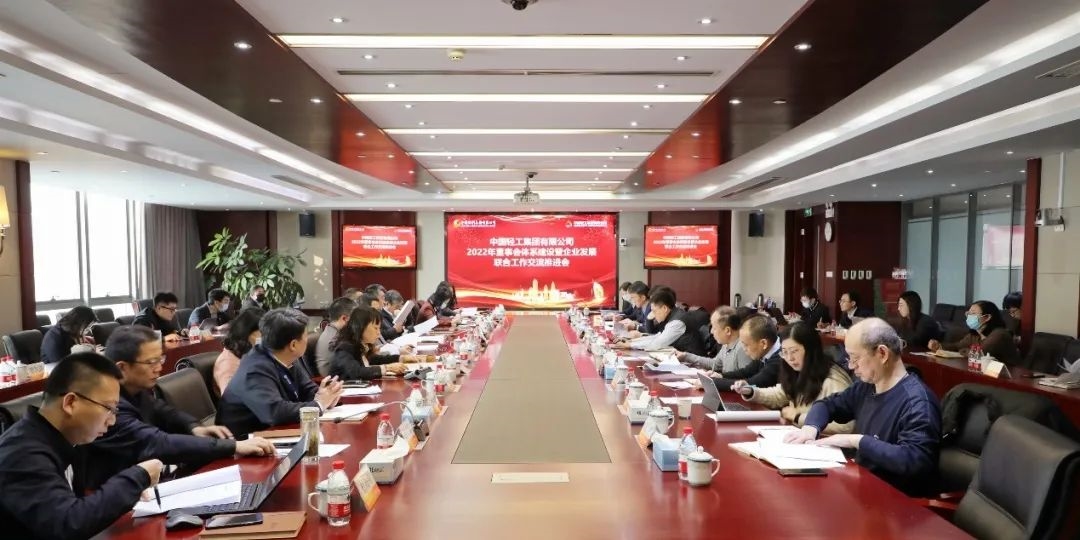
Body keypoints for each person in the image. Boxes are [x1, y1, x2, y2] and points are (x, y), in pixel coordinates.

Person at [86, 326, 275, 489]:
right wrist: (233, 446)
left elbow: (164, 411)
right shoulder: (107, 406)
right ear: (122, 368)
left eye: (160, 359)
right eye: (151, 362)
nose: (159, 367)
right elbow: (158, 443)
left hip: (145, 485)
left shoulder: (135, 390)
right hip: (114, 497)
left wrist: (194, 427)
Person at [0, 353, 163, 540]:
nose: (112, 421)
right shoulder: (20, 454)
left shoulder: (69, 436)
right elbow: (68, 524)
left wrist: (128, 489)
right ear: (70, 403)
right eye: (109, 408)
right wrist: (137, 478)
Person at [784, 318, 942, 497]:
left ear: (882, 353)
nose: (851, 366)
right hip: (860, 485)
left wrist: (858, 441)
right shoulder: (866, 386)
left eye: (855, 358)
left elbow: (915, 460)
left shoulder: (917, 402)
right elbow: (827, 405)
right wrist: (810, 428)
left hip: (894, 499)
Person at [218, 308, 345, 437]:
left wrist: (328, 396)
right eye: (306, 335)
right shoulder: (255, 369)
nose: (307, 339)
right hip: (244, 441)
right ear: (293, 345)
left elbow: (307, 389)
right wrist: (319, 404)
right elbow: (275, 412)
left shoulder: (288, 357)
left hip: (275, 434)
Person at [734, 322, 853, 434]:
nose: (789, 358)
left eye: (794, 351)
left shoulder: (833, 380)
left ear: (811, 349)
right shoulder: (798, 369)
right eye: (784, 352)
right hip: (800, 435)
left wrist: (797, 417)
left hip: (823, 443)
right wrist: (751, 391)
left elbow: (846, 427)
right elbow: (781, 394)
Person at [613, 289, 706, 355]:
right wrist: (631, 341)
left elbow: (658, 343)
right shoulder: (673, 315)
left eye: (654, 311)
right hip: (682, 358)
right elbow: (657, 336)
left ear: (664, 308)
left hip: (693, 365)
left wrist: (631, 345)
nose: (653, 315)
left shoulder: (677, 322)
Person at [929, 300, 1021, 366]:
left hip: (1010, 377)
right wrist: (939, 346)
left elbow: (979, 354)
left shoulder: (1000, 334)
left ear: (987, 317)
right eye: (968, 313)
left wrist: (964, 351)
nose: (968, 317)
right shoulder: (975, 335)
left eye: (972, 313)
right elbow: (957, 346)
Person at [329, 306, 408, 380]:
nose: (378, 333)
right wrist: (387, 368)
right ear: (361, 327)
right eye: (375, 328)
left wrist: (401, 358)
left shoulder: (361, 345)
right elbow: (356, 372)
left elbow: (375, 359)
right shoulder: (345, 347)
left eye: (379, 328)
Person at [711, 314, 783, 392]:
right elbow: (746, 372)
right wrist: (720, 376)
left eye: (746, 345)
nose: (744, 349)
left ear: (763, 343)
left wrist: (713, 382)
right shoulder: (765, 351)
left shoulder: (780, 358)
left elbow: (754, 383)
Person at [677, 307, 753, 373]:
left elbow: (746, 380)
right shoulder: (727, 344)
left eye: (714, 328)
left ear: (727, 331)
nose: (711, 331)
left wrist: (720, 378)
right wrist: (686, 356)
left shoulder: (743, 349)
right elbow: (715, 364)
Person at [214, 308, 265, 394]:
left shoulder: (253, 354)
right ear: (247, 333)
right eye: (263, 333)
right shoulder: (228, 363)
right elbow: (233, 399)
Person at [314, 297, 358, 376]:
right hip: (335, 380)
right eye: (356, 319)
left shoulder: (333, 331)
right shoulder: (335, 338)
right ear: (344, 318)